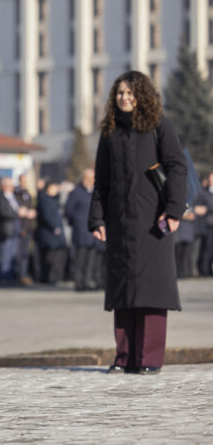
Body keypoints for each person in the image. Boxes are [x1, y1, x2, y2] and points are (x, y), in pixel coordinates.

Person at [88, 71, 187, 375]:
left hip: (153, 222)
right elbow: (101, 180)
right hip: (119, 222)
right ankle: (124, 357)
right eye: (119, 93)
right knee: (123, 290)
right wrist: (96, 217)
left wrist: (172, 212)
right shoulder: (110, 132)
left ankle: (149, 358)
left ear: (142, 95)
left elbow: (177, 167)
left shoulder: (159, 126)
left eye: (130, 92)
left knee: (151, 291)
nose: (124, 97)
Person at [64, 168, 104, 291]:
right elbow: (68, 211)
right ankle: (79, 282)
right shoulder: (76, 192)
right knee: (80, 259)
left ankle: (88, 281)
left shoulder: (95, 192)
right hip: (81, 231)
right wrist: (76, 222)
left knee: (91, 260)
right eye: (88, 178)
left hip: (93, 233)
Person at [36, 181, 68, 285]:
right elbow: (46, 215)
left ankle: (55, 277)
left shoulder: (52, 199)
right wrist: (54, 227)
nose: (57, 190)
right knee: (49, 257)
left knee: (56, 257)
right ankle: (49, 278)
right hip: (49, 233)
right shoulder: (44, 199)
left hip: (55, 233)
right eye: (55, 187)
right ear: (49, 188)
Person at [0, 177, 21, 285]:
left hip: (15, 228)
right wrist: (18, 213)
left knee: (12, 254)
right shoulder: (0, 198)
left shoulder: (14, 197)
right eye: (9, 185)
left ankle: (10, 276)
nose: (12, 187)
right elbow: (4, 212)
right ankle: (3, 277)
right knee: (5, 254)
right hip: (6, 229)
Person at [14, 173, 36, 284]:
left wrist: (32, 212)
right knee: (18, 254)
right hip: (19, 227)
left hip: (28, 227)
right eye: (22, 181)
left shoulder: (28, 194)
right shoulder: (16, 193)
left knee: (25, 254)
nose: (24, 183)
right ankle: (18, 275)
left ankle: (23, 274)